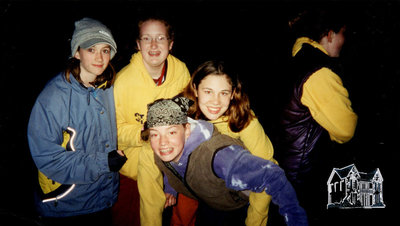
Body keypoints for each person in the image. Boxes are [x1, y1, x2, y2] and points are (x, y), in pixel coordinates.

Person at [138, 60, 277, 225]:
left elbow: (267, 171)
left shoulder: (244, 120)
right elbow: (153, 149)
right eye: (208, 91)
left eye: (224, 93)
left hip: (236, 194)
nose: (215, 102)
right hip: (197, 184)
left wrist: (255, 221)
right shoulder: (180, 111)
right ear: (195, 89)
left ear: (233, 94)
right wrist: (170, 186)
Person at [142, 97, 308, 226]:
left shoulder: (218, 157)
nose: (162, 143)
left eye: (171, 132)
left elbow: (272, 176)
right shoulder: (162, 150)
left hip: (238, 205)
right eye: (155, 134)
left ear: (186, 130)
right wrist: (171, 187)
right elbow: (173, 165)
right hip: (210, 200)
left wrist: (295, 220)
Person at [27, 17, 127, 226]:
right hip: (67, 204)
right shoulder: (54, 97)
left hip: (103, 199)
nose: (100, 57)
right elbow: (47, 158)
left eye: (105, 50)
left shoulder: (107, 88)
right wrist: (103, 163)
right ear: (76, 52)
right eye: (91, 49)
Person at [275, 8, 358, 224]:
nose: (344, 41)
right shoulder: (318, 73)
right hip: (304, 179)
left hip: (286, 171)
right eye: (343, 34)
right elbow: (346, 130)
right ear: (330, 35)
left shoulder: (296, 58)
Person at [112, 15, 190, 226]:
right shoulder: (123, 81)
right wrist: (145, 134)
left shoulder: (180, 71)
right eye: (147, 38)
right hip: (134, 159)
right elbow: (113, 130)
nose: (154, 45)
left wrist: (170, 181)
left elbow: (188, 115)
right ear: (138, 45)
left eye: (161, 38)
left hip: (173, 153)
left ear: (170, 44)